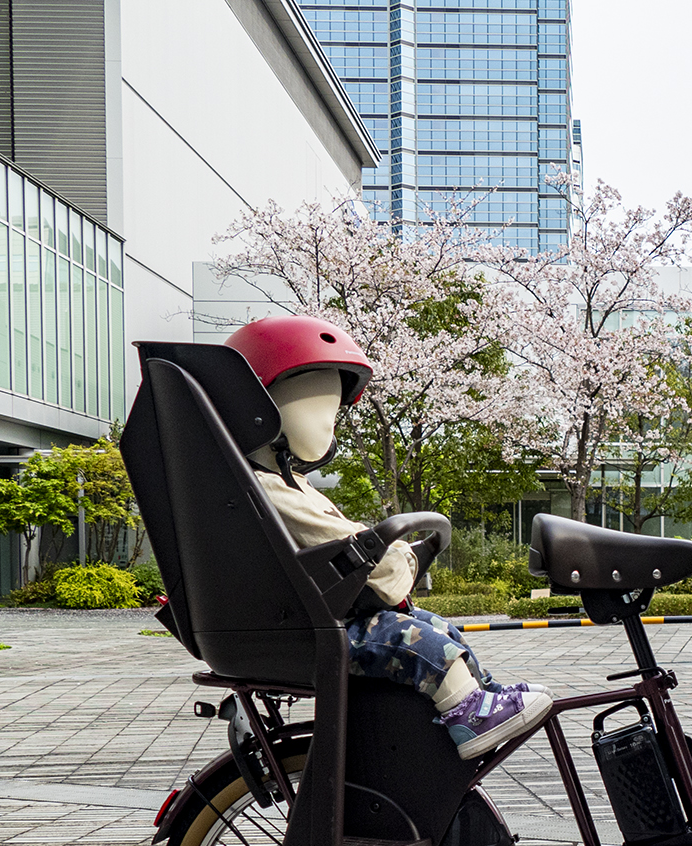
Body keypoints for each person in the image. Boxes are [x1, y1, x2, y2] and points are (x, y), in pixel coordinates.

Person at [225, 315, 550, 760]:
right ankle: (470, 716)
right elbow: (369, 562)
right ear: (259, 413)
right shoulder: (270, 491)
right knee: (416, 642)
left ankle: (482, 695)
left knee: (435, 625)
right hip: (316, 634)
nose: (327, 422)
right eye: (313, 405)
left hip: (312, 622)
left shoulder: (279, 484)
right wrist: (403, 558)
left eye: (332, 409)